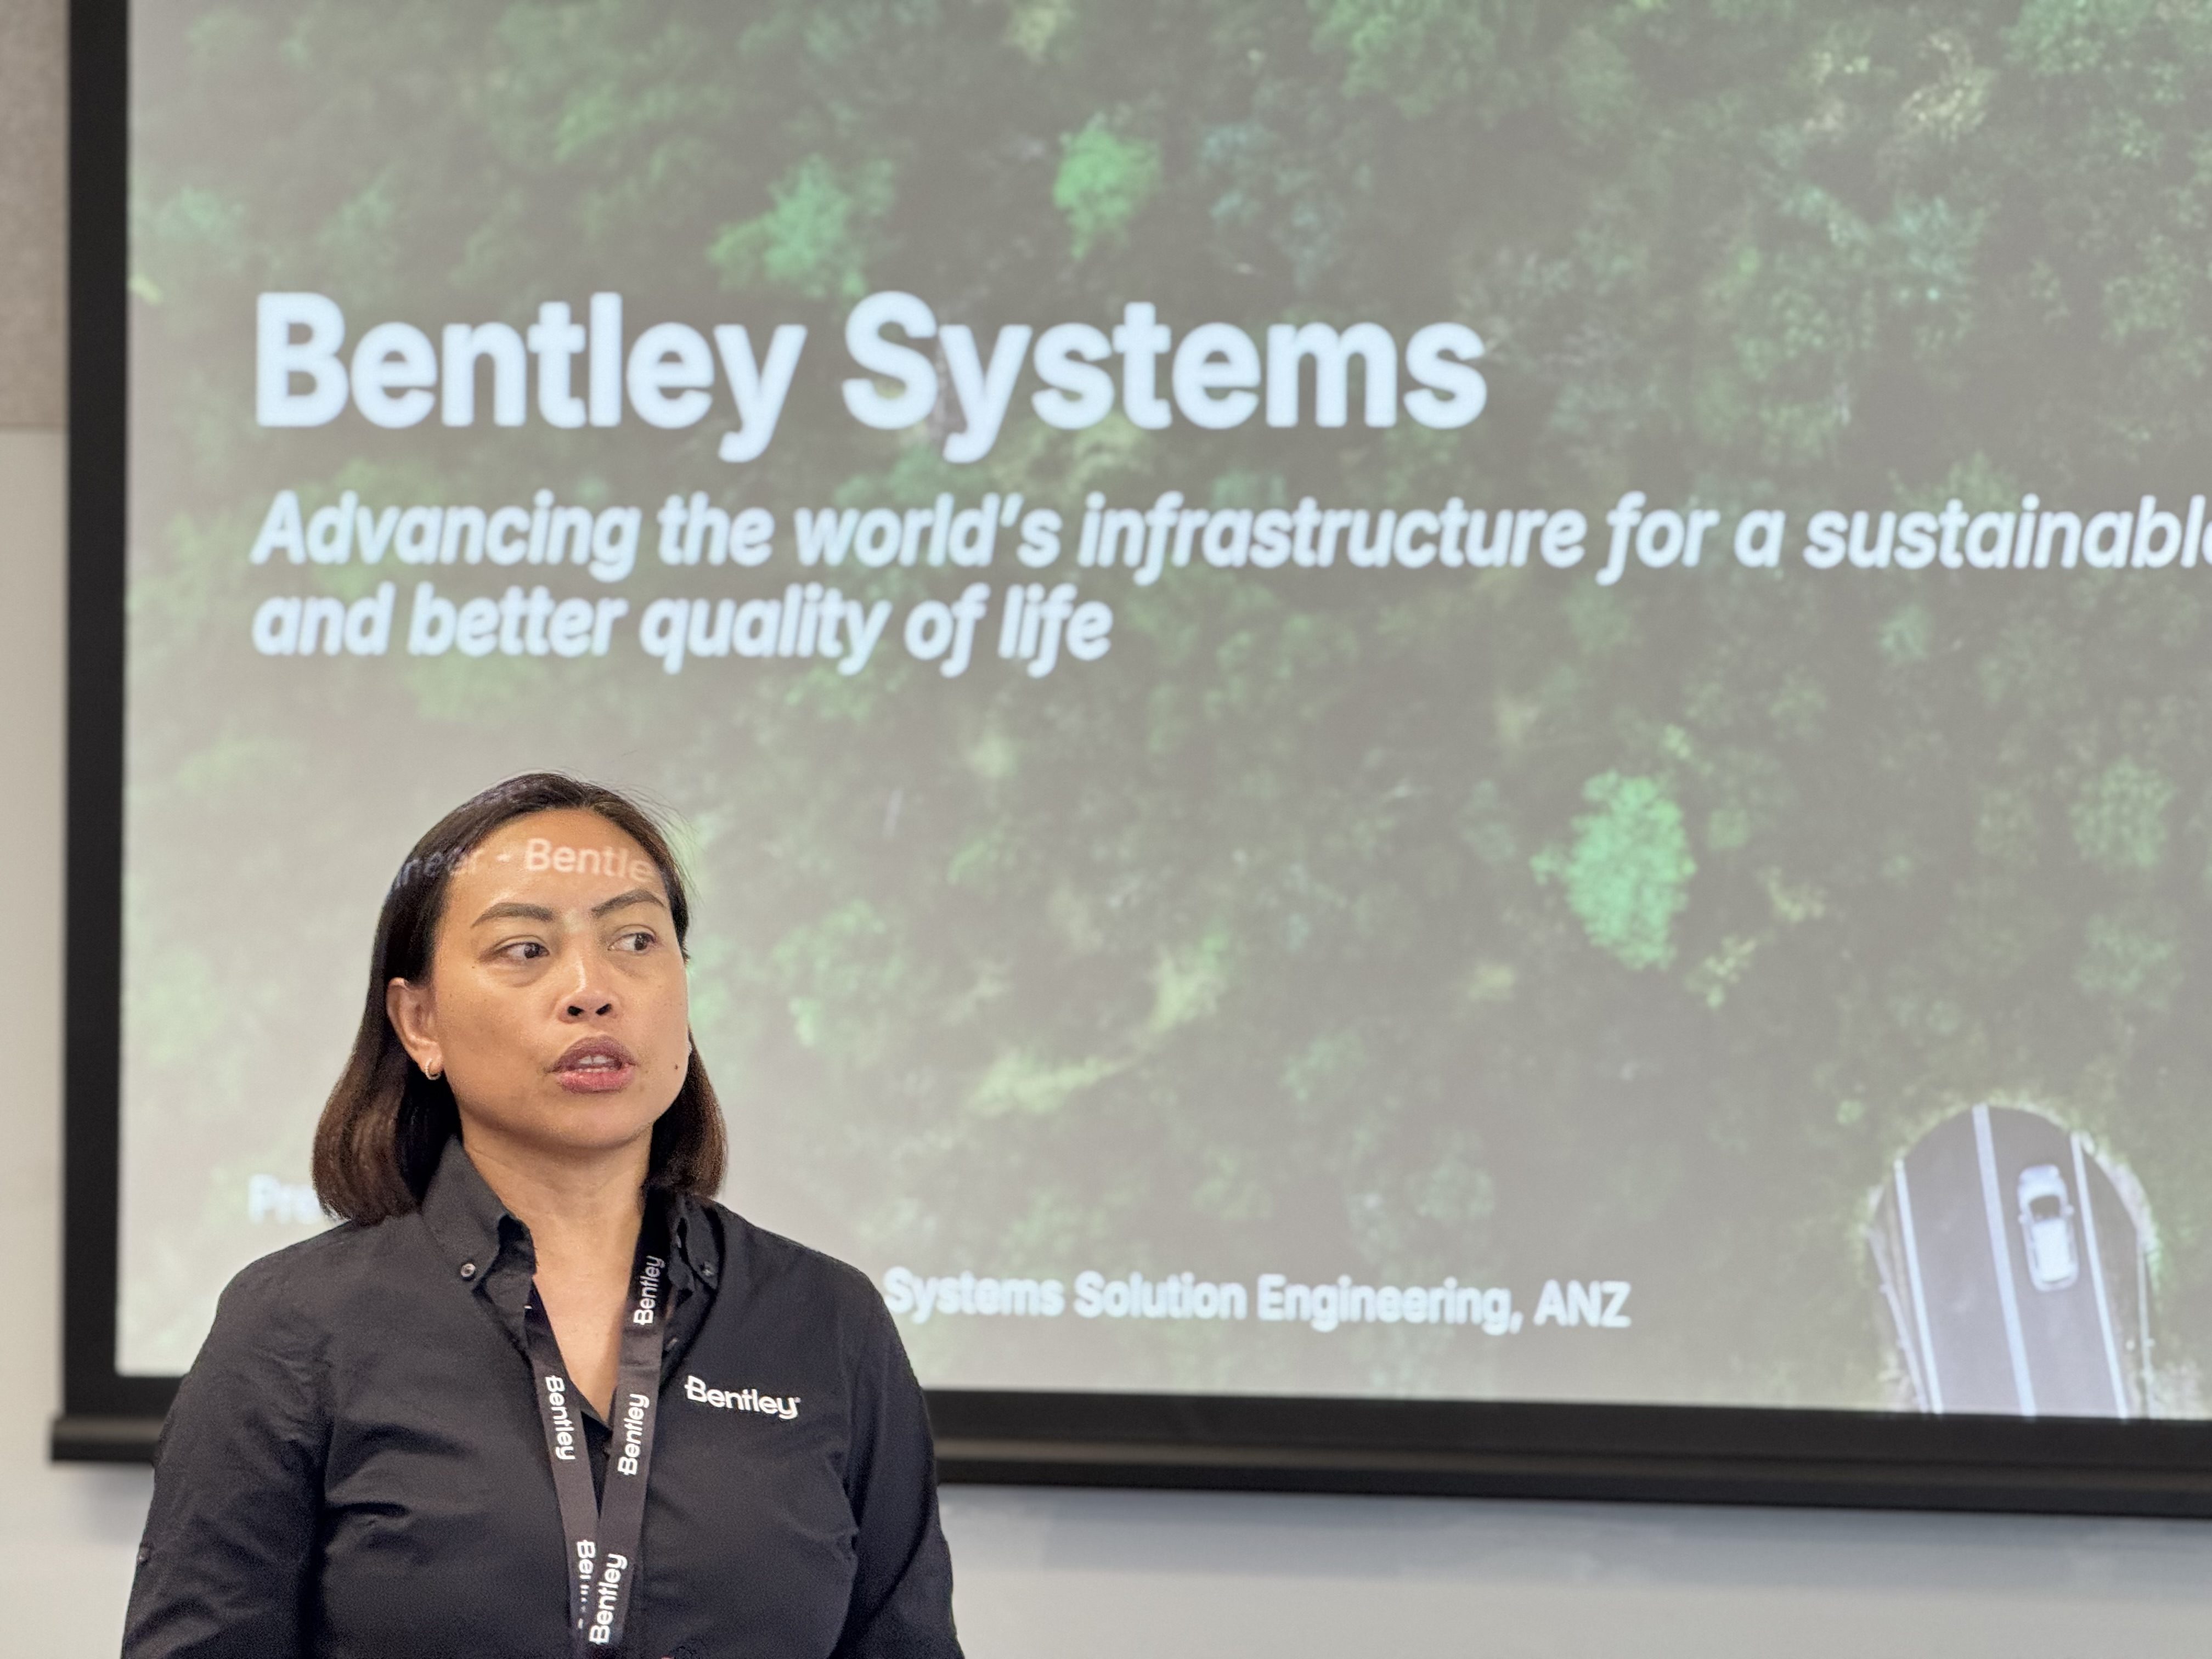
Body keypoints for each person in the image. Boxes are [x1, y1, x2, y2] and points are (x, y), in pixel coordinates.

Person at [123, 773, 962, 1658]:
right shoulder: (294, 1326)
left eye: (635, 939)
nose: (591, 989)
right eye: (525, 949)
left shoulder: (828, 1320)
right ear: (420, 1022)